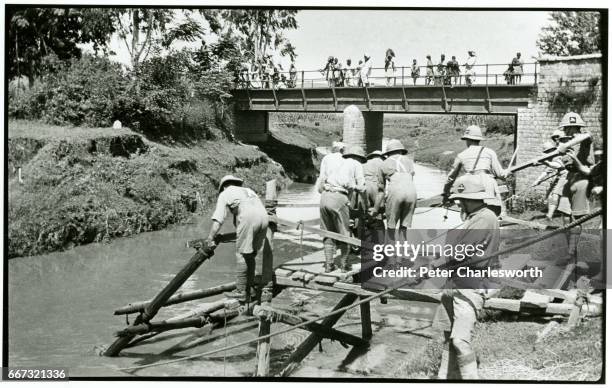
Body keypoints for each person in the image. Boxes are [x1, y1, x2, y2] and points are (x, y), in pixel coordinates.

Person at [436, 174, 500, 379]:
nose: (458, 205)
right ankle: (445, 377)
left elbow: (458, 252)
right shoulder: (478, 216)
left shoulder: (484, 218)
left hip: (470, 284)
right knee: (448, 335)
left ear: (466, 199)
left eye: (460, 201)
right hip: (455, 281)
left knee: (460, 341)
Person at [204, 175, 269, 303]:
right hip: (264, 217)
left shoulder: (225, 193)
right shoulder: (248, 191)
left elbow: (218, 219)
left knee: (241, 254)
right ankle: (249, 289)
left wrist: (210, 237)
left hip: (249, 218)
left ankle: (240, 291)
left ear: (224, 186)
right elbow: (238, 216)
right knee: (250, 255)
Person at [317, 144, 367, 272]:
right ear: (359, 157)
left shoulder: (338, 163)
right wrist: (364, 206)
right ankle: (344, 265)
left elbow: (321, 184)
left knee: (327, 232)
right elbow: (362, 187)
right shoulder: (356, 164)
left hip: (325, 197)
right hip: (340, 198)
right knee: (344, 232)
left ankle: (329, 265)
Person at [443, 125, 508, 216]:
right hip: (487, 182)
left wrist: (446, 192)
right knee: (493, 212)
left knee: (471, 212)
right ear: (479, 139)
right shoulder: (489, 152)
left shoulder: (462, 155)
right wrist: (506, 173)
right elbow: (500, 174)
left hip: (470, 184)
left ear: (467, 140)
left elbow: (451, 177)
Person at [556, 112, 594, 262]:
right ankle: (570, 250)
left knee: (577, 218)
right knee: (565, 216)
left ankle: (571, 253)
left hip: (583, 179)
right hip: (569, 178)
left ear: (575, 128)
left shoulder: (585, 139)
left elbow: (587, 136)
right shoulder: (565, 142)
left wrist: (568, 145)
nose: (566, 131)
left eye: (568, 128)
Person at [381, 139, 417, 242]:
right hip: (411, 192)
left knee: (391, 227)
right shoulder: (409, 161)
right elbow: (411, 179)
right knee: (403, 227)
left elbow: (381, 187)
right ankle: (401, 256)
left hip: (396, 192)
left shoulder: (385, 163)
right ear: (401, 151)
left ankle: (390, 254)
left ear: (388, 153)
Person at [531, 140, 569, 221]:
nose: (548, 153)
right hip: (560, 176)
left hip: (565, 176)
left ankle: (549, 215)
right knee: (550, 195)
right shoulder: (551, 158)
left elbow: (558, 165)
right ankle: (551, 213)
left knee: (555, 194)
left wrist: (545, 162)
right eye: (547, 151)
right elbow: (546, 171)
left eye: (549, 151)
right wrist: (537, 181)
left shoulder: (558, 156)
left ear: (552, 150)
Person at [362, 150, 386, 241]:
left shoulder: (365, 164)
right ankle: (380, 241)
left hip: (364, 186)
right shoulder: (383, 164)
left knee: (365, 213)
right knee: (378, 213)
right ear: (382, 157)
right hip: (376, 187)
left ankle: (367, 239)